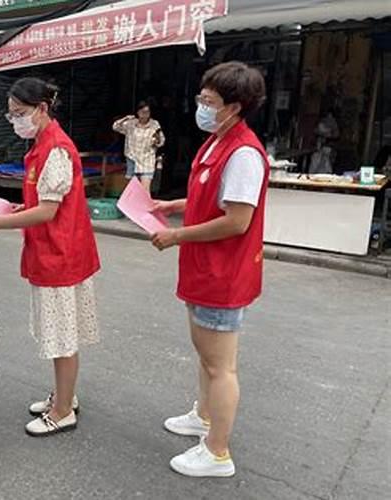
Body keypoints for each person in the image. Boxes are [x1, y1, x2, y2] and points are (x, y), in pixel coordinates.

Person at [150, 61, 268, 478]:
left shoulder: (243, 154)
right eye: (201, 97)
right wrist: (173, 206)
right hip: (203, 269)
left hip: (223, 274)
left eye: (210, 101)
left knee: (221, 366)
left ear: (234, 107)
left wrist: (177, 236)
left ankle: (217, 451)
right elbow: (209, 198)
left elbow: (237, 220)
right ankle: (203, 416)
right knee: (206, 356)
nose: (201, 106)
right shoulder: (217, 141)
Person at [0, 78, 100, 437]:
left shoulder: (55, 148)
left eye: (20, 113)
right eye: (10, 115)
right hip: (57, 251)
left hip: (61, 255)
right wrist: (17, 207)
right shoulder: (43, 143)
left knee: (62, 337)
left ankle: (62, 411)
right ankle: (63, 396)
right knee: (61, 335)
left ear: (42, 109)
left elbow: (46, 212)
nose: (15, 121)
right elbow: (44, 203)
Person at [113, 100, 165, 191]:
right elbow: (115, 127)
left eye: (147, 112)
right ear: (138, 112)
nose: (145, 114)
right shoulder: (131, 123)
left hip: (147, 159)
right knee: (132, 190)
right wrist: (125, 118)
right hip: (132, 158)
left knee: (145, 190)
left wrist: (157, 140)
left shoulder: (154, 124)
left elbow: (162, 141)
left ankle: (146, 205)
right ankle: (131, 205)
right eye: (142, 112)